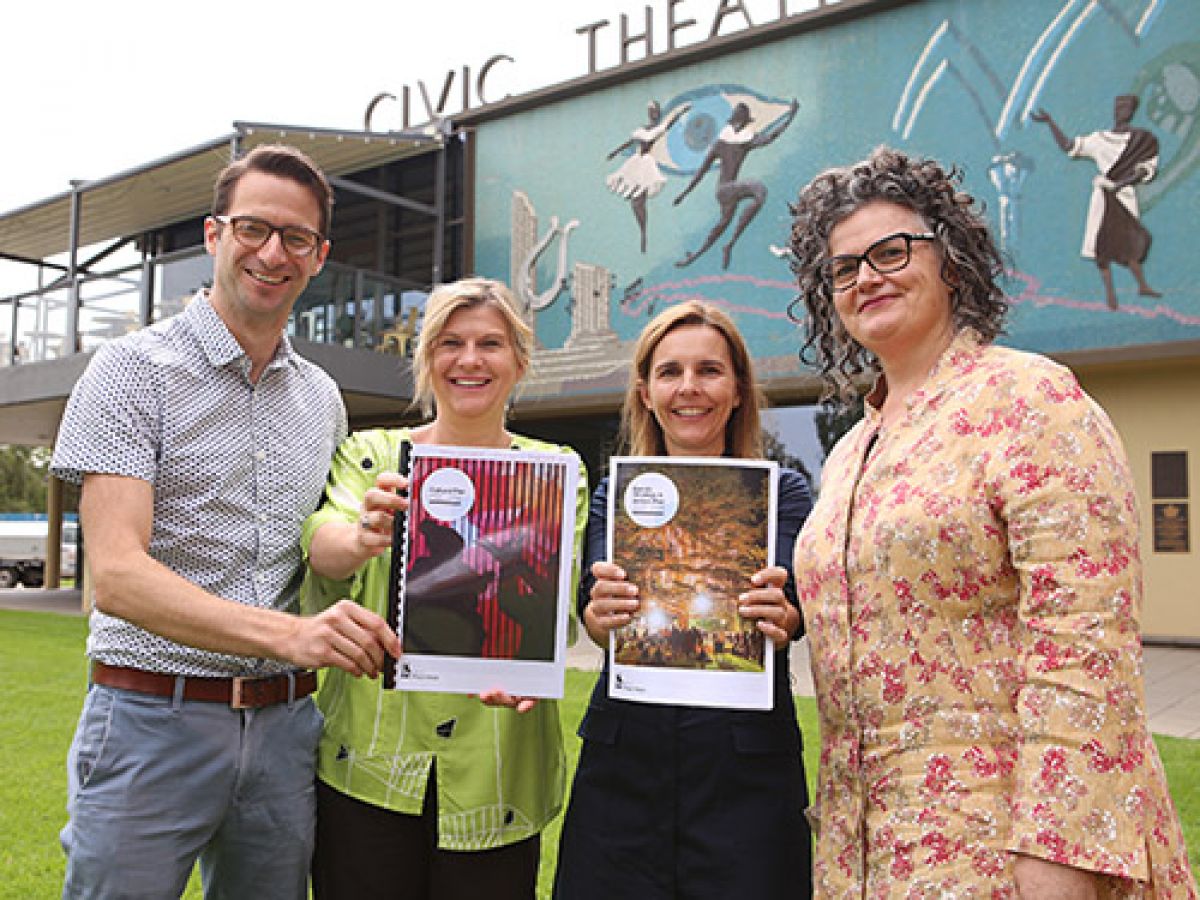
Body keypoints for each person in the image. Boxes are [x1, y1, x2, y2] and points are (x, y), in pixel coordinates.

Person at [786, 145, 1196, 897]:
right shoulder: (849, 451)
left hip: (1003, 853)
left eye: (890, 251)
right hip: (865, 859)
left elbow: (1085, 640)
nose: (866, 277)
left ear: (953, 261)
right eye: (843, 269)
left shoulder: (1031, 401)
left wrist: (1061, 855)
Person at [50, 144, 402, 899]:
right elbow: (114, 574)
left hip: (284, 736)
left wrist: (364, 535)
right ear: (214, 236)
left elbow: (314, 551)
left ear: (319, 257)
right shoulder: (129, 371)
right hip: (149, 720)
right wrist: (292, 639)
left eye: (296, 238)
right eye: (253, 228)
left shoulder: (324, 400)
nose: (272, 252)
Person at [301, 276, 588, 900]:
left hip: (498, 775)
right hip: (370, 766)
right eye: (449, 342)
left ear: (519, 359)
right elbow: (323, 546)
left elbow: (557, 612)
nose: (469, 360)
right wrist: (363, 536)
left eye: (490, 343)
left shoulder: (558, 472)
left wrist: (532, 665)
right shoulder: (372, 455)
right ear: (427, 359)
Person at [552, 300, 814, 900]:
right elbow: (597, 618)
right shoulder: (611, 495)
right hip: (625, 763)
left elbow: (797, 613)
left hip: (746, 769)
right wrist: (599, 616)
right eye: (670, 372)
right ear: (645, 391)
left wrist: (786, 617)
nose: (689, 388)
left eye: (709, 370)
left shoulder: (786, 493)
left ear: (739, 389)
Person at [1032, 96, 1161, 309]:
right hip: (1103, 197)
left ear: (1132, 110)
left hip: (1124, 196)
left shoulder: (1142, 140)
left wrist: (1121, 184)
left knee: (1132, 239)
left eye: (1127, 107)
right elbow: (1069, 145)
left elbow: (1146, 168)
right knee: (1102, 244)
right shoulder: (1099, 139)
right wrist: (1050, 122)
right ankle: (1110, 295)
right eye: (1119, 107)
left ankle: (1142, 285)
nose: (1123, 110)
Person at [673, 99, 798, 270]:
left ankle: (704, 253)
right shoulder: (722, 143)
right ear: (735, 122)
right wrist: (684, 194)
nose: (741, 125)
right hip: (725, 189)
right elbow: (701, 172)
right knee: (759, 190)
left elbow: (770, 137)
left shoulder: (745, 140)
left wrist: (790, 117)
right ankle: (726, 245)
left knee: (722, 225)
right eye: (740, 122)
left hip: (727, 192)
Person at [605, 99, 691, 253]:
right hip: (636, 161)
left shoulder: (659, 128)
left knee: (640, 196)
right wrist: (615, 152)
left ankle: (644, 233)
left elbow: (670, 122)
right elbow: (630, 142)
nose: (654, 114)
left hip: (646, 163)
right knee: (634, 199)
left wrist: (681, 111)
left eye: (656, 111)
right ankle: (642, 230)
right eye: (651, 111)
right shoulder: (641, 129)